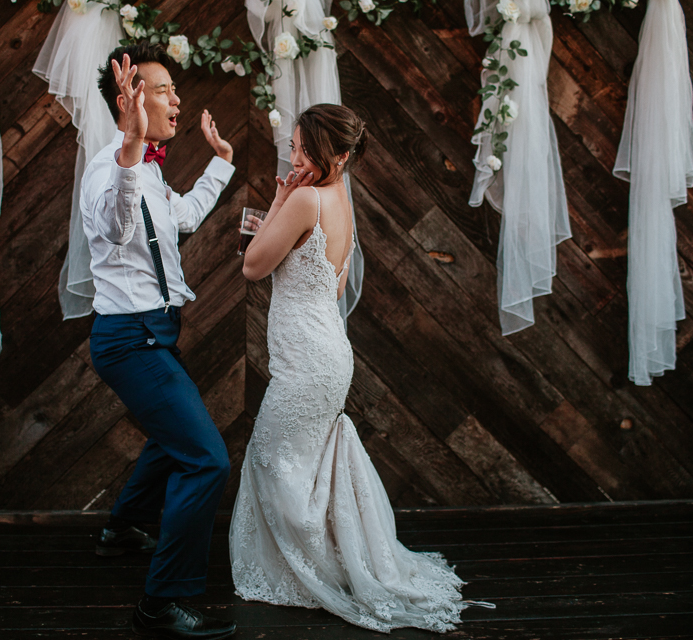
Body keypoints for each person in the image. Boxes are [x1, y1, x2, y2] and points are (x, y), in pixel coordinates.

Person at [230, 104, 493, 632]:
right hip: (325, 353)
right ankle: (333, 563)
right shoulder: (337, 201)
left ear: (333, 154)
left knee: (275, 461)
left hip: (308, 362)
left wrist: (280, 200)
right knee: (304, 466)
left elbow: (252, 266)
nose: (294, 153)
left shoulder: (305, 198)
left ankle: (316, 572)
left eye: (303, 147)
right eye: (296, 144)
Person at [81, 42, 237, 640]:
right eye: (164, 89)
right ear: (132, 99)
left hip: (156, 334)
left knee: (176, 440)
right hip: (129, 340)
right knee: (207, 459)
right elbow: (117, 227)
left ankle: (120, 529)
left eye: (175, 89)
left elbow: (183, 218)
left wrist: (220, 162)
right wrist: (124, 153)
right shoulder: (109, 169)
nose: (178, 98)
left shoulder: (149, 168)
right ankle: (161, 603)